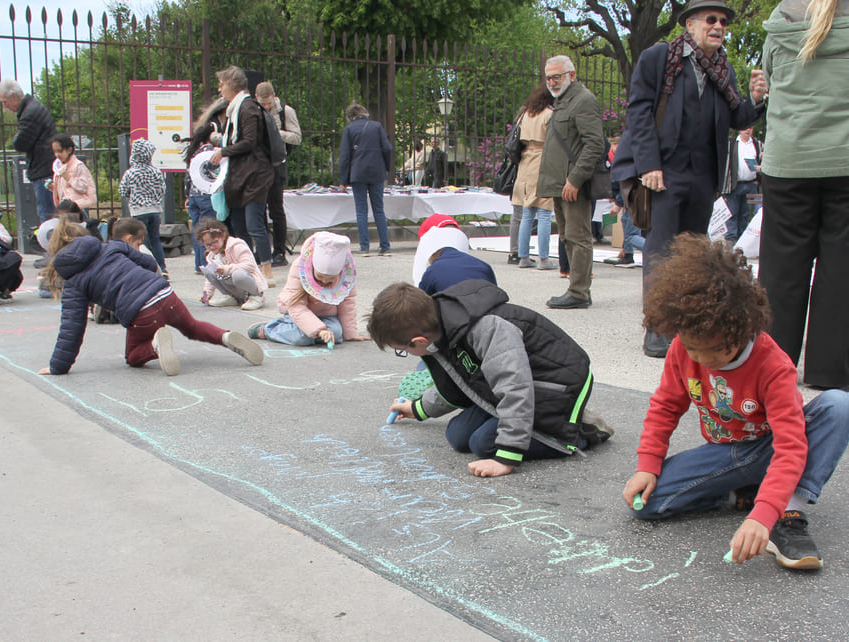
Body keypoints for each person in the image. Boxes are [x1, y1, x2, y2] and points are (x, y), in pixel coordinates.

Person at [622, 235, 849, 570]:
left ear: (742, 327)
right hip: (728, 453)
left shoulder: (772, 365)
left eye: (717, 350)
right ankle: (743, 492)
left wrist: (763, 517)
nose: (704, 359)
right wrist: (647, 464)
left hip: (771, 445)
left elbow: (790, 448)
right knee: (646, 504)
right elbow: (665, 406)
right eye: (693, 348)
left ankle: (788, 511)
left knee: (840, 406)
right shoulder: (681, 347)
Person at [611, 0, 766, 354]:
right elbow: (639, 112)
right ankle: (658, 328)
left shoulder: (723, 68)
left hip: (703, 175)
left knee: (694, 253)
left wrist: (756, 98)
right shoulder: (660, 58)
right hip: (664, 171)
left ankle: (686, 325)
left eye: (724, 22)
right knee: (662, 249)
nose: (719, 26)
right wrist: (649, 165)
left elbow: (737, 116)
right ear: (689, 23)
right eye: (711, 19)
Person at [757, 0, 849, 392]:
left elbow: (771, 77)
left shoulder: (783, 18)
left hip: (790, 157)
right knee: (843, 264)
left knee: (781, 268)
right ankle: (831, 370)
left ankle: (771, 369)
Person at [370, 280, 612, 478]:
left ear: (419, 342)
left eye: (402, 349)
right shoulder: (440, 322)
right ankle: (524, 425)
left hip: (557, 384)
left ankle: (580, 429)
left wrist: (507, 456)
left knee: (483, 444)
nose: (405, 353)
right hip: (519, 382)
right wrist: (418, 408)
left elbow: (515, 387)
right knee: (458, 436)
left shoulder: (486, 328)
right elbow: (456, 380)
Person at [36, 220, 264, 377]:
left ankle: (155, 345)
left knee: (133, 356)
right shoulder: (112, 247)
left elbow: (72, 327)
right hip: (164, 293)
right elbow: (147, 262)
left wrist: (58, 366)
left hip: (141, 310)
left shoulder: (74, 281)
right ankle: (224, 337)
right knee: (192, 327)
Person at [538, 55, 605, 309]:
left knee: (578, 236)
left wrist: (575, 180)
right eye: (549, 77)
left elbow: (594, 145)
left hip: (572, 183)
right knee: (567, 235)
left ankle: (579, 292)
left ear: (572, 75)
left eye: (558, 76)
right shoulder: (564, 101)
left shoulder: (583, 100)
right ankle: (575, 288)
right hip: (560, 183)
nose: (553, 82)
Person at [210, 67, 277, 287]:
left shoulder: (247, 107)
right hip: (240, 177)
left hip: (254, 175)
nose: (219, 88)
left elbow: (249, 141)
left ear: (232, 84)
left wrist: (223, 151)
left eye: (222, 84)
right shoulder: (234, 109)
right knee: (239, 226)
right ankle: (248, 267)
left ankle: (266, 271)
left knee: (254, 224)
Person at [248, 232, 368, 347]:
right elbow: (295, 306)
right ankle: (268, 329)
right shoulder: (300, 267)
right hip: (296, 310)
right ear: (313, 266)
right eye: (320, 277)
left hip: (326, 314)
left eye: (331, 279)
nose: (325, 281)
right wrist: (319, 331)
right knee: (302, 338)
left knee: (336, 334)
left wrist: (350, 333)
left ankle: (311, 331)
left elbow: (348, 302)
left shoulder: (346, 274)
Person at [0, 79, 57, 223]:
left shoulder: (29, 113)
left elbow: (20, 143)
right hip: (45, 166)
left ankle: (53, 244)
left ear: (14, 97)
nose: (4, 107)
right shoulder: (33, 108)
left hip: (42, 169)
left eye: (4, 102)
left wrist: (16, 138)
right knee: (50, 213)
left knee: (47, 215)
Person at [512, 85, 558, 271]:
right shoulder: (549, 114)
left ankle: (523, 256)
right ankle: (544, 258)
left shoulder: (526, 115)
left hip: (525, 163)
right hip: (543, 161)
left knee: (527, 213)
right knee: (545, 213)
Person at [255, 81, 301, 267]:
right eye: (263, 104)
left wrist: (276, 133)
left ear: (274, 96)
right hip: (258, 165)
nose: (266, 107)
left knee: (276, 209)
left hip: (276, 164)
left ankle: (280, 251)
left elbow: (297, 137)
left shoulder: (285, 111)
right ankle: (262, 249)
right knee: (258, 210)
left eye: (269, 104)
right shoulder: (253, 110)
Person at [339, 103, 393, 256]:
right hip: (377, 172)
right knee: (379, 209)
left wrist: (343, 180)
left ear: (351, 117)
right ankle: (385, 246)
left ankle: (364, 247)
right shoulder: (377, 127)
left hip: (358, 173)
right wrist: (386, 167)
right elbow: (387, 148)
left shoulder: (349, 129)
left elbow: (344, 156)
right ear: (364, 113)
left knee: (361, 210)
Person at [119, 138, 168, 277]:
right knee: (155, 239)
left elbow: (123, 190)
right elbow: (163, 189)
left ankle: (146, 267)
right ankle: (162, 267)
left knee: (141, 241)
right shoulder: (156, 171)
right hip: (155, 210)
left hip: (138, 210)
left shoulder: (131, 173)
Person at [196, 219, 266, 311]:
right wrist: (207, 293)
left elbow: (250, 265)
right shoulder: (211, 256)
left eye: (215, 242)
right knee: (209, 272)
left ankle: (256, 296)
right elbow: (209, 278)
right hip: (233, 287)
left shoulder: (236, 246)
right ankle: (231, 297)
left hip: (247, 283)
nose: (212, 246)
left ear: (223, 235)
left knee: (238, 275)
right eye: (207, 245)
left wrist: (226, 269)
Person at [183, 122, 219, 273]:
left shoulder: (194, 153)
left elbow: (188, 177)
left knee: (197, 230)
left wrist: (187, 195)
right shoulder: (214, 152)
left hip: (194, 195)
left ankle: (199, 263)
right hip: (208, 194)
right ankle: (207, 262)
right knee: (208, 229)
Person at [721, 127, 762, 242]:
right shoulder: (732, 144)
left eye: (750, 128)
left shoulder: (757, 144)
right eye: (745, 127)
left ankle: (742, 241)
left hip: (751, 185)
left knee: (745, 214)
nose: (747, 130)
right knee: (732, 213)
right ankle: (731, 241)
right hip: (734, 185)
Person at [50, 134, 97, 215]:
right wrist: (53, 187)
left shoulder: (77, 166)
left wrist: (69, 178)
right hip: (66, 205)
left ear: (69, 150)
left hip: (78, 205)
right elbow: (63, 188)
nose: (57, 155)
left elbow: (83, 187)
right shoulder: (58, 166)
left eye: (60, 151)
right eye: (55, 152)